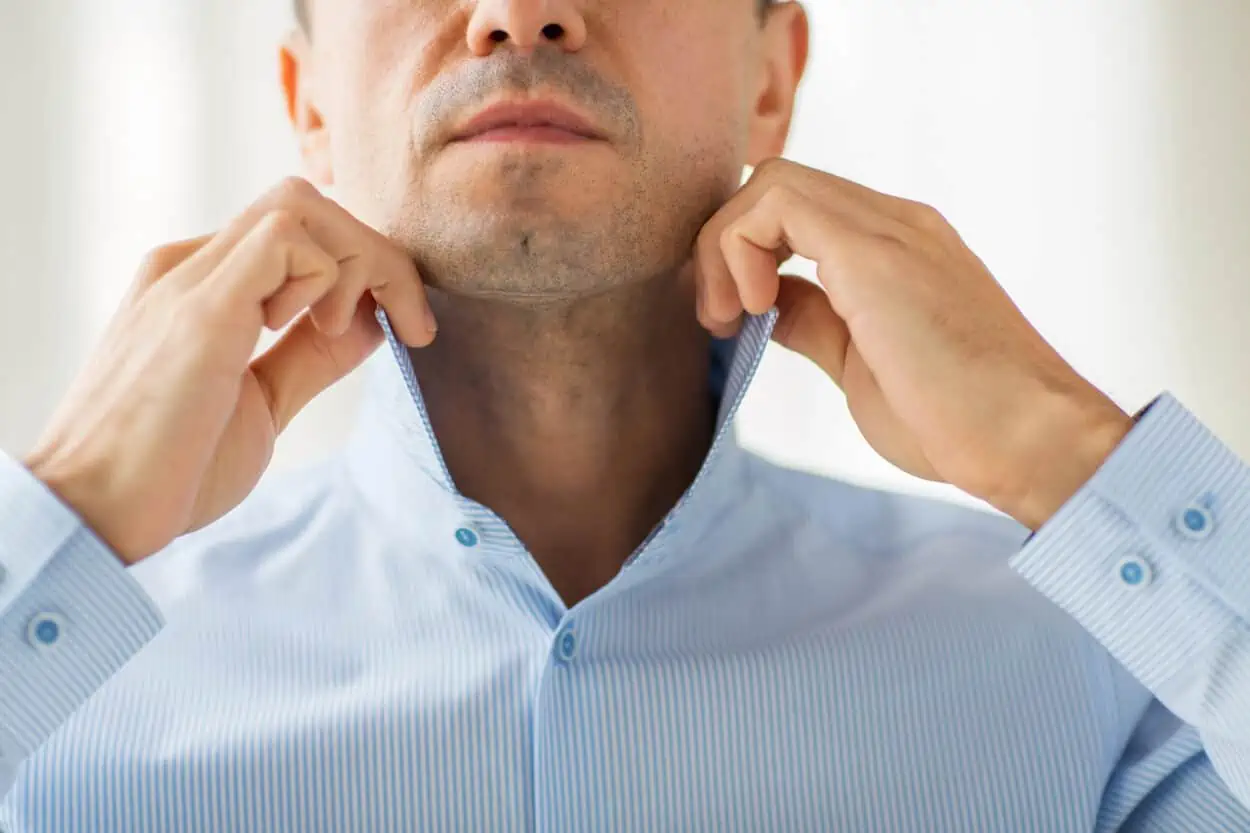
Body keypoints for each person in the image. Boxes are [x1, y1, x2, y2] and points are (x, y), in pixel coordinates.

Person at [0, 0, 1247, 829]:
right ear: (308, 104)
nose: (521, 10)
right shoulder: (54, 699)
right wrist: (64, 514)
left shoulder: (1101, 673)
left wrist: (1072, 454)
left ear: (775, 77)